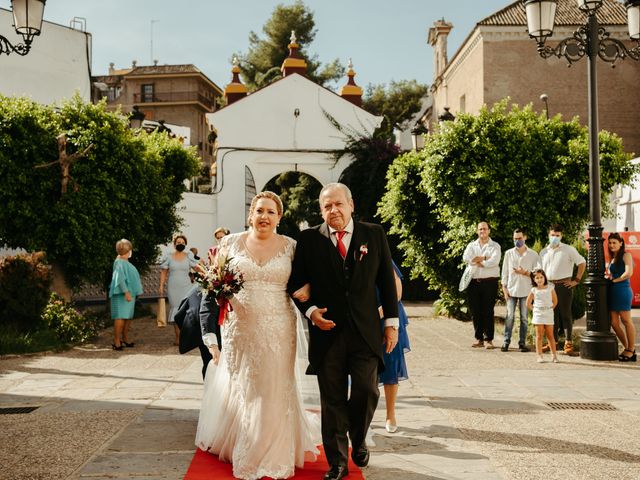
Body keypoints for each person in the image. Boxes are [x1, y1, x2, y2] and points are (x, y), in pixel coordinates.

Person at [195, 191, 320, 480]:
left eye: (271, 212)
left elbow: (306, 279)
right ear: (250, 214)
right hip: (240, 328)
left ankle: (273, 451)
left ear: (279, 217)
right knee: (246, 387)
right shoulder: (228, 243)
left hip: (279, 327)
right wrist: (211, 337)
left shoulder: (291, 247)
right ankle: (245, 441)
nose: (264, 217)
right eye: (259, 210)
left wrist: (310, 290)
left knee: (274, 388)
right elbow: (212, 289)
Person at [289, 182, 399, 480]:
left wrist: (391, 324)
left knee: (366, 389)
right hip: (328, 334)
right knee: (332, 400)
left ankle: (359, 436)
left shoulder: (373, 234)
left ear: (351, 205)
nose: (333, 210)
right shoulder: (309, 239)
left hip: (366, 332)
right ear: (321, 210)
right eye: (327, 206)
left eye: (338, 204)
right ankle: (336, 462)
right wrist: (311, 313)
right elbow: (295, 284)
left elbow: (386, 284)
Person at [539, 224, 586, 355]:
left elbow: (582, 263)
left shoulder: (568, 249)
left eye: (557, 235)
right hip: (548, 287)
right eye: (552, 235)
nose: (554, 237)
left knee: (566, 315)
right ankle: (552, 343)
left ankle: (568, 343)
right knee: (551, 316)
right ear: (549, 235)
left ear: (561, 236)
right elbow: (539, 270)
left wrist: (576, 280)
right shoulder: (544, 252)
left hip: (564, 286)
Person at [378, 261, 410, 434]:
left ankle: (390, 414)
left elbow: (397, 291)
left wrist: (380, 313)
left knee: (390, 364)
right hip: (362, 316)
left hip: (386, 314)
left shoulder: (379, 252)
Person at [462, 222, 502, 349]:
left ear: (489, 231)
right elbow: (466, 258)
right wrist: (485, 258)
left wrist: (480, 260)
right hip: (473, 282)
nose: (482, 231)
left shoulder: (495, 246)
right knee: (475, 311)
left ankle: (488, 339)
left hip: (489, 282)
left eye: (485, 229)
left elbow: (494, 261)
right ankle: (478, 338)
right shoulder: (471, 245)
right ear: (477, 231)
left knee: (488, 311)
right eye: (480, 229)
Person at [500, 229, 539, 352]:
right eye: (515, 239)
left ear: (525, 237)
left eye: (519, 238)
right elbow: (504, 272)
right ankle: (506, 342)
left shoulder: (533, 254)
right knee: (509, 316)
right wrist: (504, 288)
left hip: (526, 290)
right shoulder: (508, 253)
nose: (517, 241)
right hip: (511, 290)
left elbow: (537, 274)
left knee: (523, 317)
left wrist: (525, 272)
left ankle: (522, 343)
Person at [173, 286, 221, 378]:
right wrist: (212, 344)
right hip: (201, 316)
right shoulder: (215, 282)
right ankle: (210, 387)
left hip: (212, 313)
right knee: (211, 360)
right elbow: (206, 311)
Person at [159, 235, 199, 346]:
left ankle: (187, 337)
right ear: (174, 244)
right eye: (178, 242)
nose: (180, 243)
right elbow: (164, 272)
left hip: (187, 287)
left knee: (186, 311)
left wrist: (207, 274)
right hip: (173, 287)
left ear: (185, 244)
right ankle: (178, 337)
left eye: (182, 242)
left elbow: (196, 268)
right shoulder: (169, 256)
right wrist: (161, 286)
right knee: (176, 311)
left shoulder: (189, 256)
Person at [108, 239, 143, 351]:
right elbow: (120, 279)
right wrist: (126, 292)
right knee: (120, 317)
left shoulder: (125, 261)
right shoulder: (118, 262)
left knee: (128, 316)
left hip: (130, 293)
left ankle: (125, 338)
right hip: (122, 294)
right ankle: (117, 341)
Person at [607, 233, 636, 362]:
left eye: (614, 242)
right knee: (614, 322)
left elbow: (628, 273)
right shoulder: (613, 257)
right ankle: (628, 348)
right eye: (610, 243)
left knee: (626, 320)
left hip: (623, 290)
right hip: (613, 291)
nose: (612, 245)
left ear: (621, 243)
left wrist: (614, 281)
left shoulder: (626, 255)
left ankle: (630, 349)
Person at [527, 268, 559, 363]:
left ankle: (554, 355)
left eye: (541, 277)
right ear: (534, 280)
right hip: (538, 315)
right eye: (537, 278)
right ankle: (539, 355)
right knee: (539, 336)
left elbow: (555, 301)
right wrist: (535, 310)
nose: (539, 279)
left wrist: (549, 309)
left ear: (544, 277)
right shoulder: (534, 290)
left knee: (550, 335)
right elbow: (528, 303)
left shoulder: (550, 288)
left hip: (548, 313)